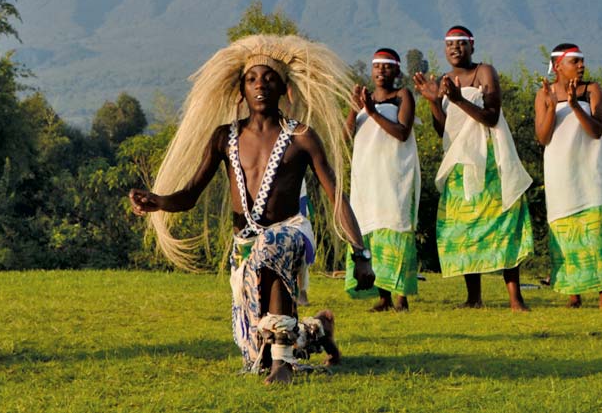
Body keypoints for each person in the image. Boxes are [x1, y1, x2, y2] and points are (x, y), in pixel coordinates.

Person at [127, 34, 376, 384]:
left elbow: (336, 196)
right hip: (245, 246)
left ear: (285, 89)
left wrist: (360, 252)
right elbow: (190, 195)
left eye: (270, 78)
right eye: (252, 79)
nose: (261, 85)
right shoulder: (223, 138)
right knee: (256, 352)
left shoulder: (302, 136)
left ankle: (282, 365)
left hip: (290, 234)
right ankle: (318, 330)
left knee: (271, 245)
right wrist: (159, 201)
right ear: (240, 90)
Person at [410, 26, 534, 311]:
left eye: (461, 43)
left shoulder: (484, 72)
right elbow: (444, 130)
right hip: (460, 163)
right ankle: (473, 297)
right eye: (450, 44)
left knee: (503, 223)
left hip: (490, 159)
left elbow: (491, 117)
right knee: (466, 227)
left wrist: (459, 100)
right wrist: (434, 102)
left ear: (472, 46)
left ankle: (515, 298)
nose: (455, 48)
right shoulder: (444, 80)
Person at [534, 44, 602, 308]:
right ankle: (574, 294)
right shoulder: (544, 93)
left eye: (582, 61)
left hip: (592, 168)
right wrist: (551, 107)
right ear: (558, 66)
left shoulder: (591, 90)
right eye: (575, 61)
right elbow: (543, 137)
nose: (582, 66)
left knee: (598, 229)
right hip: (561, 171)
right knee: (568, 229)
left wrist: (574, 105)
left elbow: (596, 131)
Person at [346, 48, 420, 312]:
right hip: (367, 177)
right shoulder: (364, 99)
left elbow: (402, 132)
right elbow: (346, 137)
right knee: (372, 231)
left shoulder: (402, 96)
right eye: (377, 66)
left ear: (397, 70)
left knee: (395, 228)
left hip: (394, 176)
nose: (381, 70)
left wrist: (373, 112)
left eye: (387, 66)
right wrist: (355, 108)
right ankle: (383, 297)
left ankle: (401, 298)